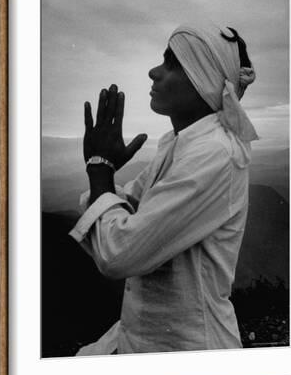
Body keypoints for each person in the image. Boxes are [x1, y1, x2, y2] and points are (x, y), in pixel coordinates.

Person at [68, 21, 258, 355]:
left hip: (190, 353)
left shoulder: (213, 154)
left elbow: (118, 252)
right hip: (148, 342)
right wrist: (106, 173)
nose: (154, 73)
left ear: (203, 80)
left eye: (171, 64)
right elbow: (127, 208)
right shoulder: (178, 144)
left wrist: (100, 169)